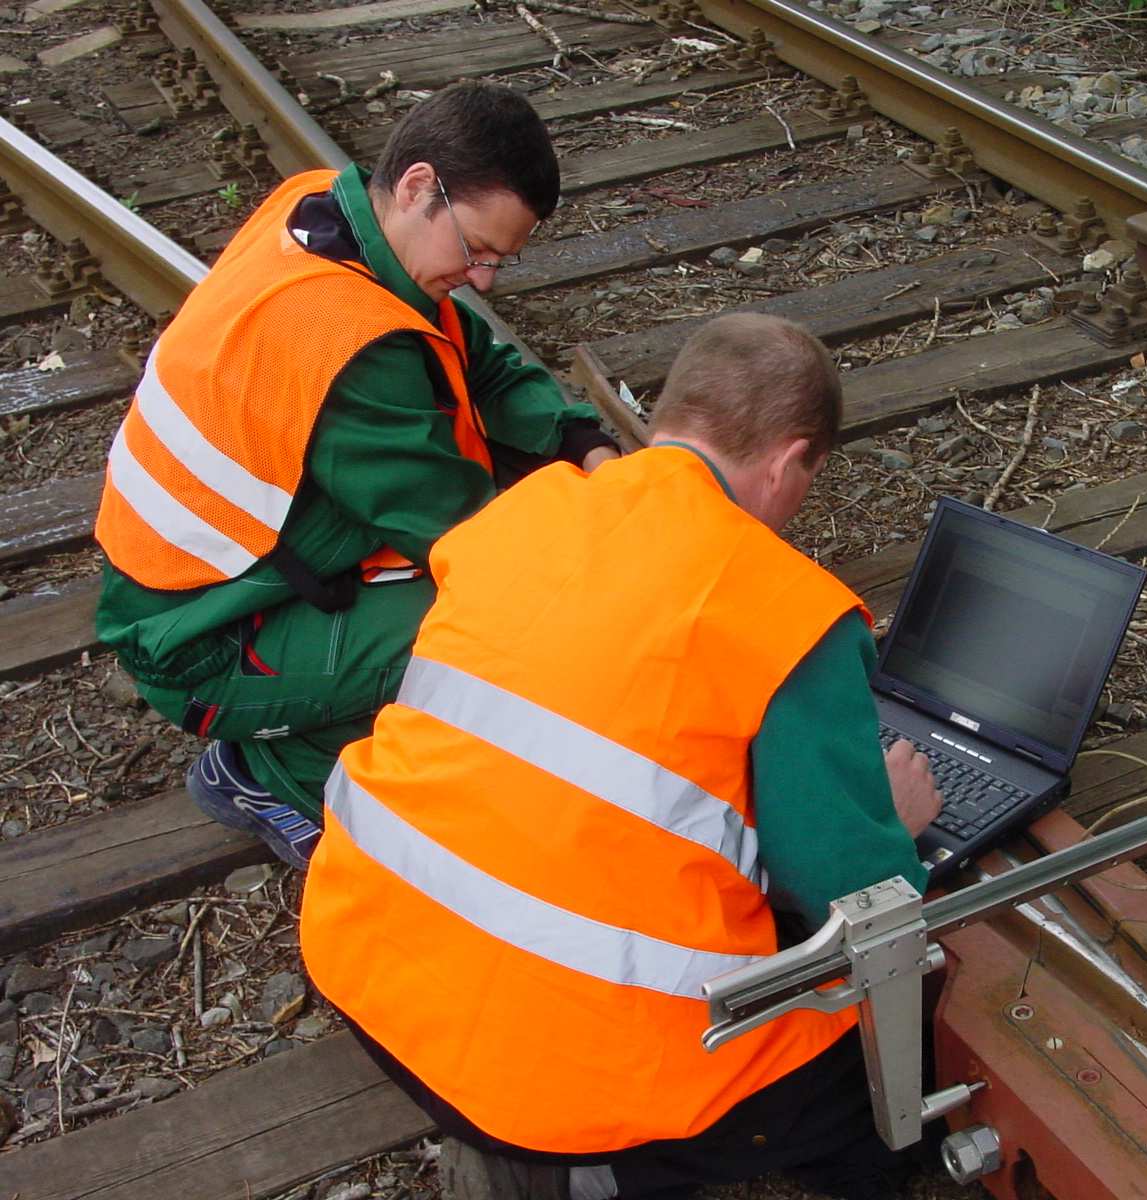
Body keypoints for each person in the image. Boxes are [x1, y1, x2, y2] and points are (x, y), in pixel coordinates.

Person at [299, 314, 945, 1200]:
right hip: (564, 1085)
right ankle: (601, 1174)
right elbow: (849, 896)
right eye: (809, 479)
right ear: (793, 459)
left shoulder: (523, 513)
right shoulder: (788, 611)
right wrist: (894, 826)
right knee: (886, 1035)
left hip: (368, 966)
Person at [93, 81, 618, 869]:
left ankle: (311, 720)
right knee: (484, 637)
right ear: (417, 187)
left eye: (501, 260)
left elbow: (482, 360)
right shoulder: (348, 344)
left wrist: (584, 443)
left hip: (220, 578)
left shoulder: (329, 214)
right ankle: (272, 776)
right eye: (477, 251)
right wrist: (614, 562)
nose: (484, 280)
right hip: (196, 639)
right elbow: (473, 542)